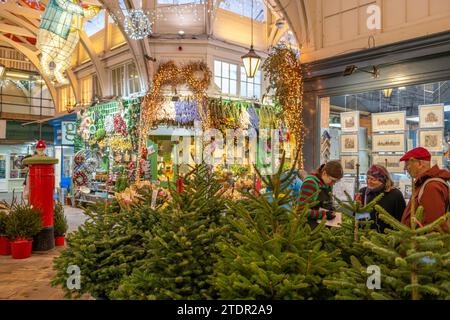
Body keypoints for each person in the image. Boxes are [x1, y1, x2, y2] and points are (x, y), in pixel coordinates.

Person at [400, 147, 450, 232]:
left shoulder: (431, 187)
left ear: (419, 164)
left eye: (408, 164)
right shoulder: (424, 184)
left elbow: (434, 226)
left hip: (421, 244)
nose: (405, 168)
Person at [356, 164, 406, 233]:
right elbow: (358, 216)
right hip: (366, 237)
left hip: (388, 239)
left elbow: (401, 219)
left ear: (383, 180)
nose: (369, 182)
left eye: (373, 179)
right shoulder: (363, 192)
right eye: (367, 178)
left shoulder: (395, 194)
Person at [297, 160, 344, 228]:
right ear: (324, 173)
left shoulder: (327, 184)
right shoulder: (310, 183)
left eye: (336, 181)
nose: (333, 184)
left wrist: (332, 210)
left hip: (323, 228)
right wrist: (323, 214)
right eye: (332, 180)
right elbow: (301, 210)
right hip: (310, 230)